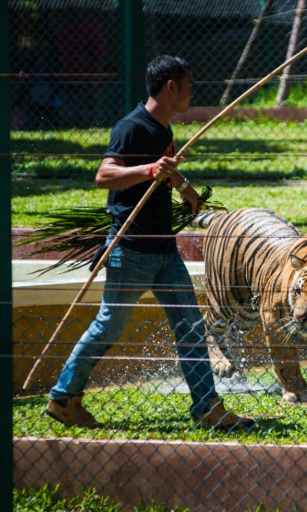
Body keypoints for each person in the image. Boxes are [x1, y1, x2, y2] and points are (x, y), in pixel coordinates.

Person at [45, 55, 255, 432]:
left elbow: (164, 169)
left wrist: (183, 186)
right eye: (188, 86)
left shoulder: (163, 128)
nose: (192, 92)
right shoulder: (131, 127)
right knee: (109, 327)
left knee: (191, 327)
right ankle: (63, 398)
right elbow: (105, 175)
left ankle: (207, 407)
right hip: (131, 250)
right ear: (170, 86)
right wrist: (149, 170)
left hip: (163, 251)